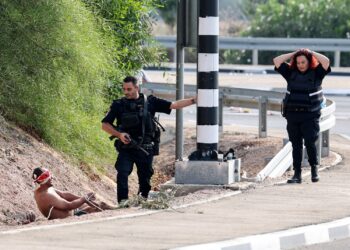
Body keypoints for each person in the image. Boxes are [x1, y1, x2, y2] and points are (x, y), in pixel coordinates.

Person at [101, 76, 196, 203]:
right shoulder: (118, 105)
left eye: (129, 89)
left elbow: (174, 105)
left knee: (145, 180)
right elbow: (105, 125)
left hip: (145, 148)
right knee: (122, 174)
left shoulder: (150, 102)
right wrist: (119, 135)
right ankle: (122, 204)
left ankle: (141, 202)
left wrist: (194, 100)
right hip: (126, 148)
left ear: (137, 87)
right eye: (124, 89)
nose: (126, 92)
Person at [273, 49, 331, 184]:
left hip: (310, 115)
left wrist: (311, 52)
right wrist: (293, 54)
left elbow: (326, 62)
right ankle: (297, 174)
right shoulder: (290, 73)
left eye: (303, 62)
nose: (300, 65)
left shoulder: (317, 73)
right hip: (293, 115)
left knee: (310, 142)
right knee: (296, 145)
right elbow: (277, 61)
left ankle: (314, 170)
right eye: (298, 62)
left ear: (309, 62)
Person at [33, 167, 116, 220]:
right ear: (42, 180)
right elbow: (69, 205)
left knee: (96, 204)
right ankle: (116, 211)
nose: (51, 177)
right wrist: (84, 198)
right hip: (69, 217)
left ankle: (116, 209)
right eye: (47, 175)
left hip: (72, 213)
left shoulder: (46, 188)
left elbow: (65, 195)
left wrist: (85, 200)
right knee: (94, 209)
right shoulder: (46, 195)